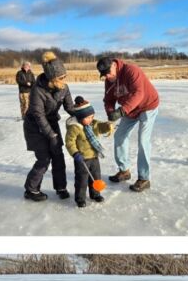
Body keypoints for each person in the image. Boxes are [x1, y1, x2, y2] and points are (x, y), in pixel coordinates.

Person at [97, 56, 159, 193]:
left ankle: (144, 178)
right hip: (130, 111)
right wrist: (110, 113)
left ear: (114, 65)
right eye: (104, 75)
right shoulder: (109, 80)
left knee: (143, 140)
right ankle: (124, 171)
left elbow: (139, 93)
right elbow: (108, 100)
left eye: (108, 72)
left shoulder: (131, 70)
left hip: (147, 106)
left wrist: (122, 111)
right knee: (119, 136)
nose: (107, 76)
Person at [22, 51, 76, 202]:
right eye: (61, 78)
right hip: (34, 126)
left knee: (58, 156)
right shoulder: (37, 90)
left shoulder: (64, 88)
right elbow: (38, 115)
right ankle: (31, 189)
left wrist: (83, 113)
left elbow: (69, 107)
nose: (64, 80)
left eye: (65, 76)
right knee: (44, 159)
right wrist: (51, 134)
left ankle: (61, 187)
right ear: (52, 78)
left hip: (52, 122)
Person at [64, 96, 114, 208]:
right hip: (82, 158)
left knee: (96, 177)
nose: (91, 119)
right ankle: (80, 198)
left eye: (92, 116)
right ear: (80, 117)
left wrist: (107, 126)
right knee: (82, 180)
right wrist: (75, 153)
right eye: (88, 117)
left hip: (94, 156)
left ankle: (95, 194)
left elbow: (100, 127)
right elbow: (69, 142)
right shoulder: (75, 127)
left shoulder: (92, 124)